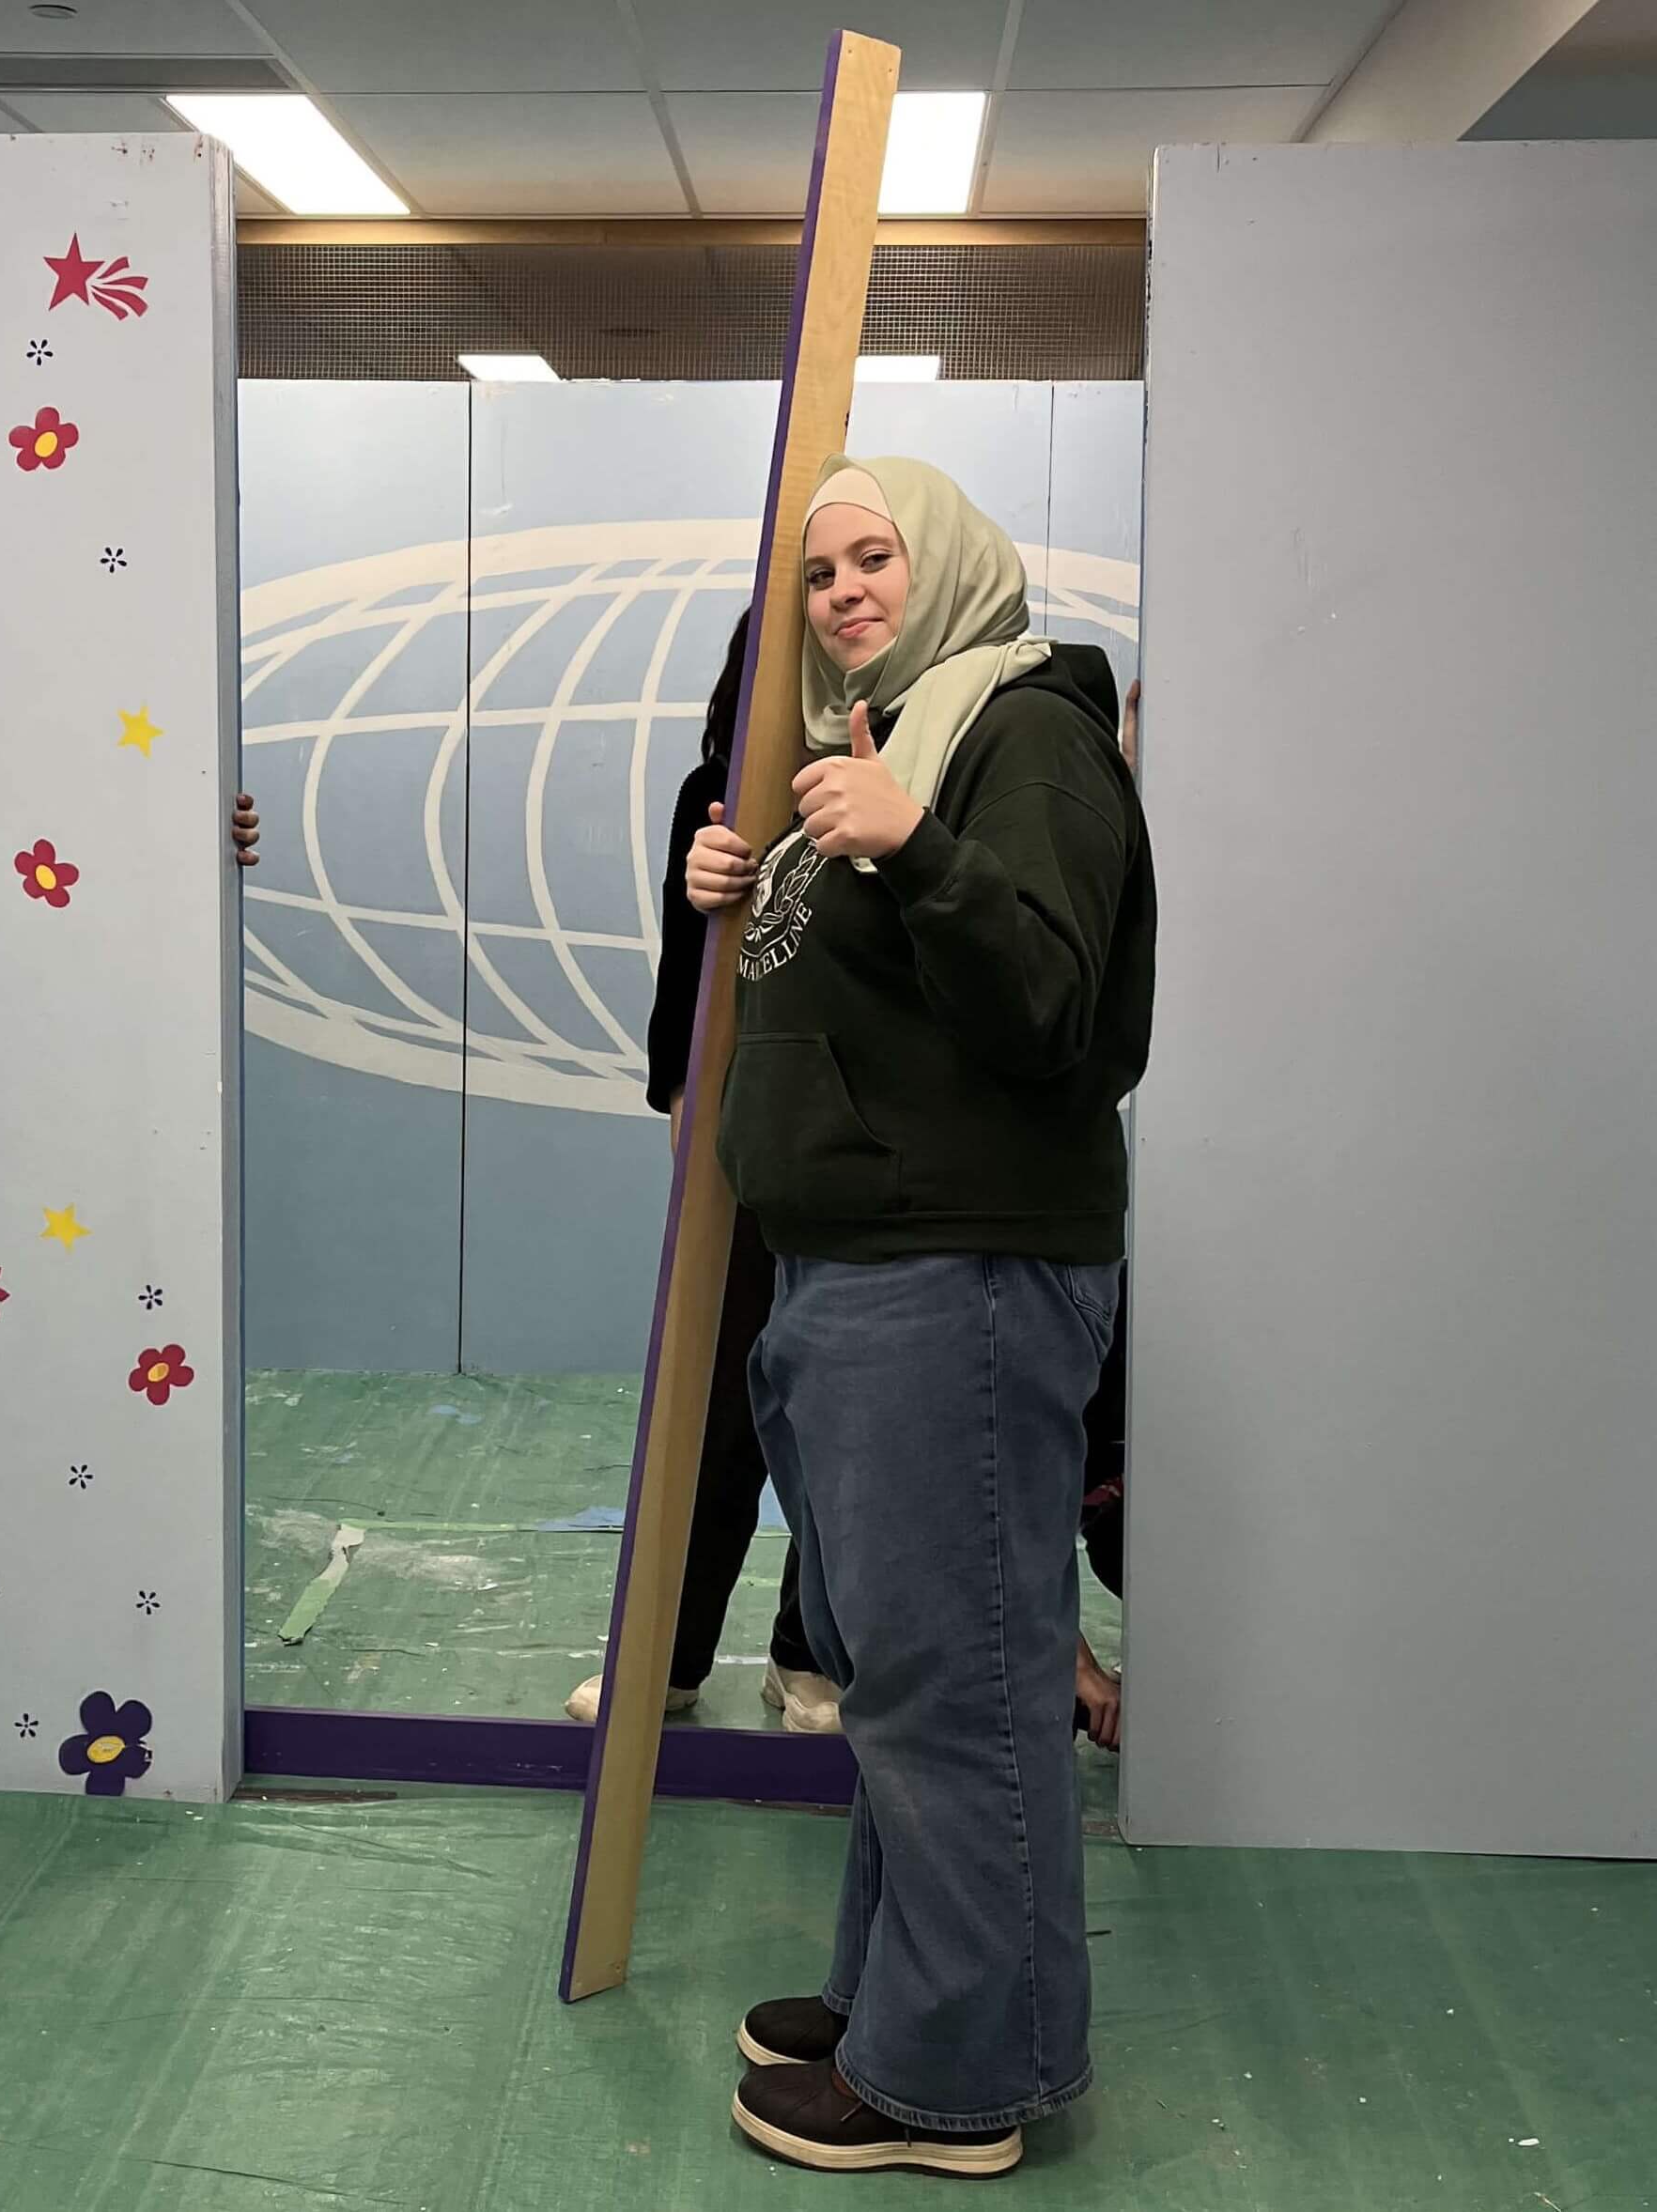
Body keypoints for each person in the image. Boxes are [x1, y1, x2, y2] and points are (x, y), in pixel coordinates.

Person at [689, 456, 1154, 2176]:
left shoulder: (1018, 730)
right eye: (818, 576)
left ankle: (956, 2078)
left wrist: (921, 847)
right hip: (858, 1257)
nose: (841, 595)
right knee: (907, 1674)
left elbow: (1050, 996)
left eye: (871, 558)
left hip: (949, 1261)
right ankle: (902, 1994)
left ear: (946, 562)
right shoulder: (871, 751)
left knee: (954, 1685)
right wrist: (737, 900)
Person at [565, 611, 843, 1735]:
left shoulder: (901, 781)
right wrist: (685, 1120)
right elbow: (686, 986)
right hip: (740, 1137)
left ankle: (806, 1654)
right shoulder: (714, 797)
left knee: (833, 1405)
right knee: (716, 1405)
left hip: (863, 1147)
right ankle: (670, 1657)